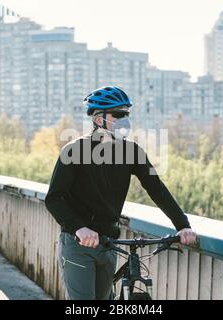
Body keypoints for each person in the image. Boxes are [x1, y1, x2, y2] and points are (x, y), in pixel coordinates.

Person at [45, 86, 197, 300]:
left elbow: (157, 190)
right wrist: (79, 228)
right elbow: (54, 199)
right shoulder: (74, 150)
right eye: (118, 114)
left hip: (109, 243)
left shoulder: (132, 151)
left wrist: (182, 226)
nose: (124, 119)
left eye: (126, 114)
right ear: (98, 119)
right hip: (79, 243)